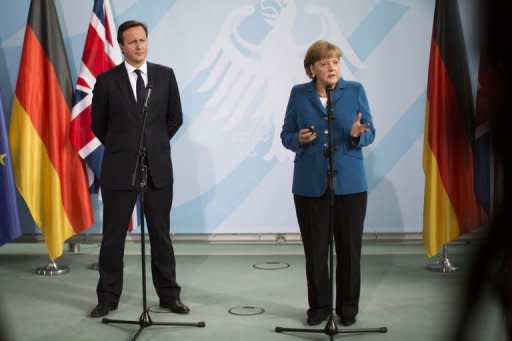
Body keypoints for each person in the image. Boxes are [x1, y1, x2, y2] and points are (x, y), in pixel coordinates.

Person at [89, 20, 188, 318]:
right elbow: (98, 125)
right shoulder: (107, 81)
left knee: (161, 235)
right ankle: (107, 297)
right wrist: (126, 148)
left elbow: (175, 118)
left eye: (142, 40)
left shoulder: (165, 76)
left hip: (157, 169)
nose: (139, 45)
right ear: (121, 46)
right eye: (132, 41)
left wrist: (153, 144)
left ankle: (169, 296)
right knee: (113, 237)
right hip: (119, 170)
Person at [280, 40, 375, 326]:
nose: (331, 66)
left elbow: (370, 132)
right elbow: (286, 134)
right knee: (316, 252)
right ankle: (319, 307)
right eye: (324, 63)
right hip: (310, 185)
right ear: (312, 69)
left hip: (350, 184)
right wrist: (298, 138)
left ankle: (347, 308)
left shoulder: (355, 90)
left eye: (335, 61)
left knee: (349, 251)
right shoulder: (299, 94)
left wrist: (358, 134)